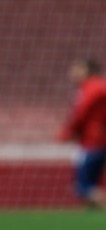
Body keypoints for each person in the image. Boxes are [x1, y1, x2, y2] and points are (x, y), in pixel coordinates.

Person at [57, 57, 106, 208]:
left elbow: (80, 114)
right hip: (97, 140)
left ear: (87, 70)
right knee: (89, 186)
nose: (73, 73)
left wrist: (67, 132)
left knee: (83, 187)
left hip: (93, 142)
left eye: (77, 69)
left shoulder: (91, 88)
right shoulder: (98, 87)